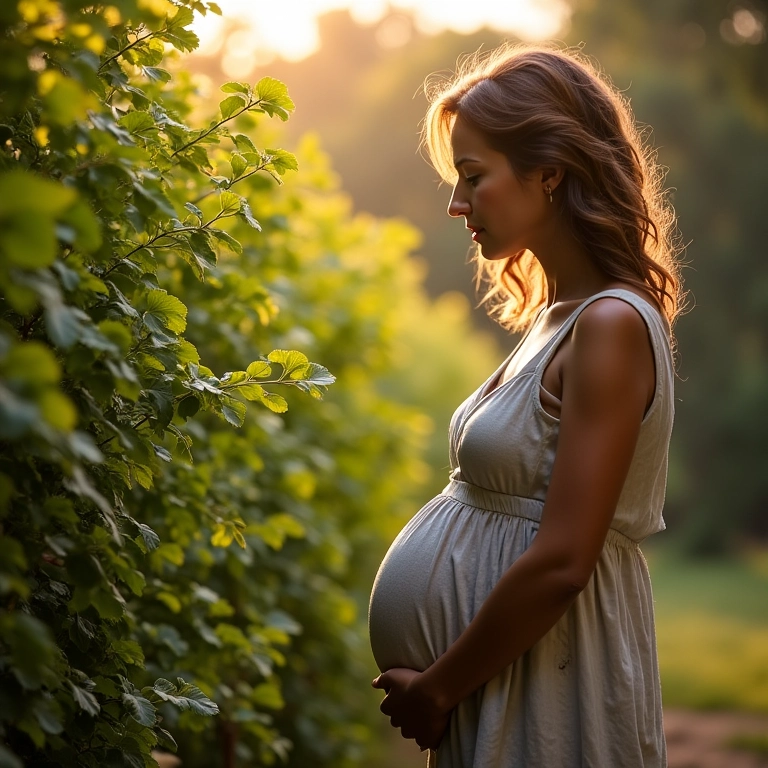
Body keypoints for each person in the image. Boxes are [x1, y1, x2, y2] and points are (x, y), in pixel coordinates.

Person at [367, 43, 684, 768]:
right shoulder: (557, 317)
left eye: (474, 177)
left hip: (552, 679)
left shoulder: (610, 325)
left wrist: (439, 688)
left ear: (549, 171)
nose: (457, 204)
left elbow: (565, 560)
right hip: (511, 675)